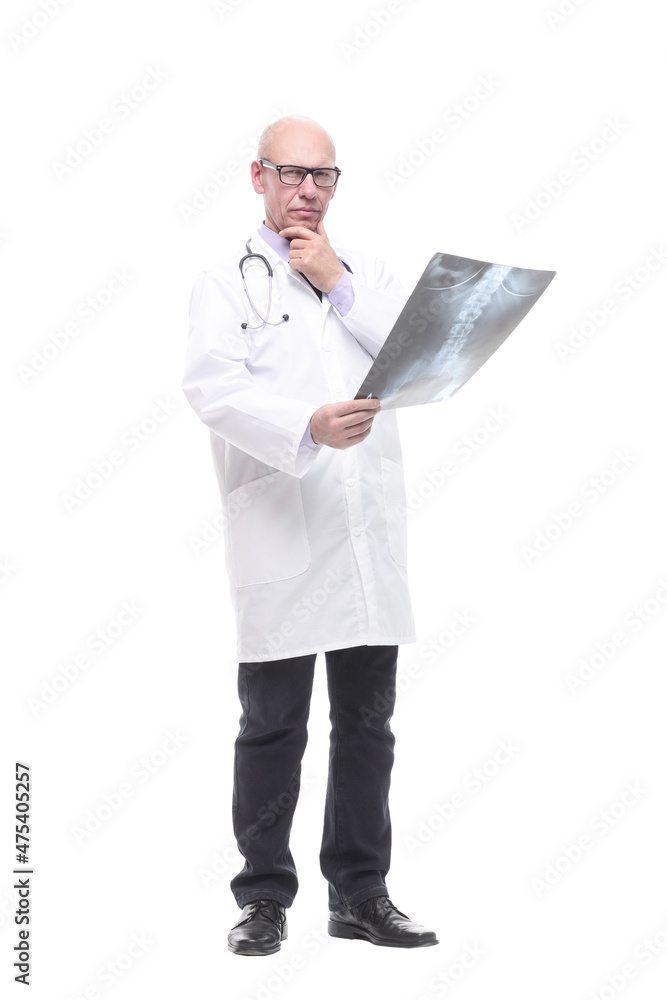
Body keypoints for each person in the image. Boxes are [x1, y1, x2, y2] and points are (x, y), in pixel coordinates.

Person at [181, 114, 437, 956]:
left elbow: (416, 355)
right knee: (272, 726)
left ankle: (360, 894)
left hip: (363, 532)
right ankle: (262, 897)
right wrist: (305, 427)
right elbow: (212, 390)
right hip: (283, 528)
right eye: (290, 173)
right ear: (257, 176)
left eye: (322, 175)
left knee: (367, 724)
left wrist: (337, 282)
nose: (306, 190)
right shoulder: (226, 283)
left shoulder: (366, 272)